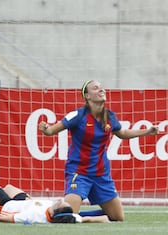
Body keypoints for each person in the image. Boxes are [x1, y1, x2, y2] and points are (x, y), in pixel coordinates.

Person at [38, 80, 159, 221]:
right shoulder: (78, 115)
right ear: (87, 96)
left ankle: (80, 216)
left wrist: (147, 132)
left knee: (118, 217)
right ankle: (54, 211)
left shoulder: (109, 116)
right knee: (68, 216)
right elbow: (51, 130)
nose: (101, 90)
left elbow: (123, 133)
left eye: (102, 88)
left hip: (101, 174)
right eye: (96, 88)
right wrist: (46, 129)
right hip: (79, 173)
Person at [0, 176, 110, 224]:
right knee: (8, 187)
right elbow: (90, 218)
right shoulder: (69, 217)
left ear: (54, 210)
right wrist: (105, 219)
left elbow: (1, 219)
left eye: (59, 203)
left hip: (4, 206)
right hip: (27, 202)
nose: (59, 199)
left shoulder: (32, 216)